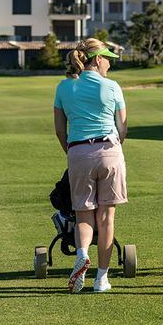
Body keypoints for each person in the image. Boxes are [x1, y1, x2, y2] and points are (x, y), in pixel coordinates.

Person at [53, 38, 128, 294]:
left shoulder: (64, 88)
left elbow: (60, 130)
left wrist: (73, 152)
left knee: (84, 214)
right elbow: (123, 127)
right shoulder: (112, 87)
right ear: (97, 59)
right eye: (107, 58)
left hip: (78, 152)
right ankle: (102, 279)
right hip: (109, 151)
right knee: (106, 217)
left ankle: (82, 254)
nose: (109, 64)